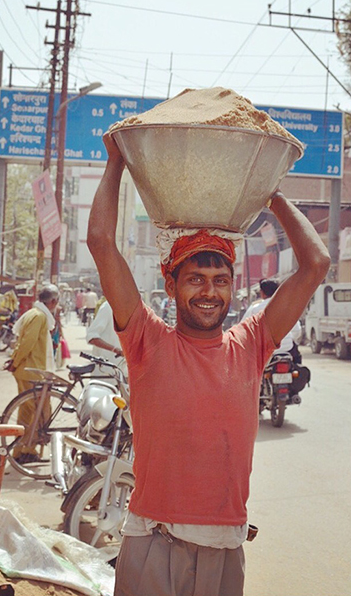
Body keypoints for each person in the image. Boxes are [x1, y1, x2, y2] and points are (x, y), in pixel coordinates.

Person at [87, 133, 330, 596]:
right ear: (172, 284)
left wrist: (271, 195)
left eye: (220, 280)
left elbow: (316, 262)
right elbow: (100, 240)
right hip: (152, 540)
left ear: (233, 289)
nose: (208, 291)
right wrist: (116, 160)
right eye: (195, 279)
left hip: (223, 547)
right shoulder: (146, 339)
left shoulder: (252, 342)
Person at [8, 284, 59, 464]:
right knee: (39, 411)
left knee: (27, 411)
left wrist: (15, 361)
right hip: (32, 371)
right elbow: (28, 343)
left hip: (29, 370)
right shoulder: (39, 316)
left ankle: (20, 450)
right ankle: (27, 449)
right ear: (53, 301)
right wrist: (14, 362)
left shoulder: (34, 313)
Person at [242, 278, 303, 362]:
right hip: (287, 349)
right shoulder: (288, 307)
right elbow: (297, 330)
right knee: (298, 364)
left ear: (262, 293)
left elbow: (244, 329)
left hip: (262, 352)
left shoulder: (255, 308)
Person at [86, 299, 125, 374]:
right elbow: (92, 337)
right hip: (106, 368)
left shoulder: (131, 308)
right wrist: (115, 350)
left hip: (123, 369)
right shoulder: (108, 307)